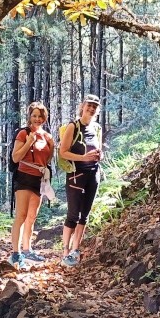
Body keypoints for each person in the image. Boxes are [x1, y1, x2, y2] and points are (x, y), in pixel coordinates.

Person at [58, 94, 103, 267]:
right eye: (89, 105)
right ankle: (65, 252)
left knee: (85, 215)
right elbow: (63, 152)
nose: (91, 109)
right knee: (73, 214)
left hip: (93, 174)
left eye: (94, 107)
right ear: (82, 106)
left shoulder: (97, 128)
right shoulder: (73, 126)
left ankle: (76, 250)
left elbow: (99, 149)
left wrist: (99, 156)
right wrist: (83, 157)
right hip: (76, 174)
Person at [9, 101, 54, 268]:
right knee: (21, 215)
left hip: (39, 179)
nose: (37, 119)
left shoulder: (48, 137)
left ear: (44, 118)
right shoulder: (23, 133)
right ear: (29, 116)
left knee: (32, 216)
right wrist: (29, 142)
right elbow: (15, 157)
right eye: (34, 115)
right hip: (24, 177)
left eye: (40, 116)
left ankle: (27, 250)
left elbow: (48, 158)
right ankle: (15, 254)